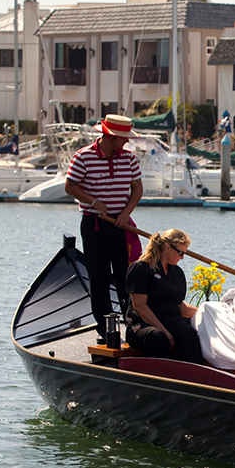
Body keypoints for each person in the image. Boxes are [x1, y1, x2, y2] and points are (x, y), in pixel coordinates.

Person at [65, 114, 143, 342]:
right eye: (123, 138)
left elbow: (137, 189)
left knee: (124, 276)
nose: (127, 142)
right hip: (95, 224)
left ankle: (132, 326)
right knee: (98, 277)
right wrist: (93, 201)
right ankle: (105, 328)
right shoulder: (83, 157)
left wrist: (126, 213)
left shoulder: (129, 159)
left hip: (120, 224)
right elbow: (70, 186)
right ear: (110, 136)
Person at [125, 229, 204, 364]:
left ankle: (194, 370)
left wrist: (207, 312)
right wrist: (164, 331)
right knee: (159, 338)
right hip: (142, 324)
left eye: (184, 253)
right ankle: (162, 372)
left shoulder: (176, 273)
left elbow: (182, 307)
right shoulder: (141, 268)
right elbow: (140, 306)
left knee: (190, 333)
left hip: (169, 321)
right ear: (167, 247)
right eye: (180, 252)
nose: (182, 257)